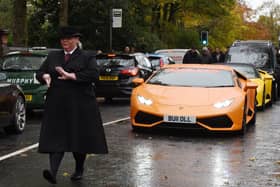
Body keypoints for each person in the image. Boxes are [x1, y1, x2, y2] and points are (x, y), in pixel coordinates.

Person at [36, 26, 108, 184]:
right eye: (62, 39)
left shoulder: (87, 56)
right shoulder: (53, 56)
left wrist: (72, 75)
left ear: (77, 39)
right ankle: (53, 172)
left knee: (78, 140)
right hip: (57, 105)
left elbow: (94, 74)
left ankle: (79, 169)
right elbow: (39, 72)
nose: (65, 42)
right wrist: (45, 76)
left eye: (68, 39)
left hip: (80, 105)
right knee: (56, 138)